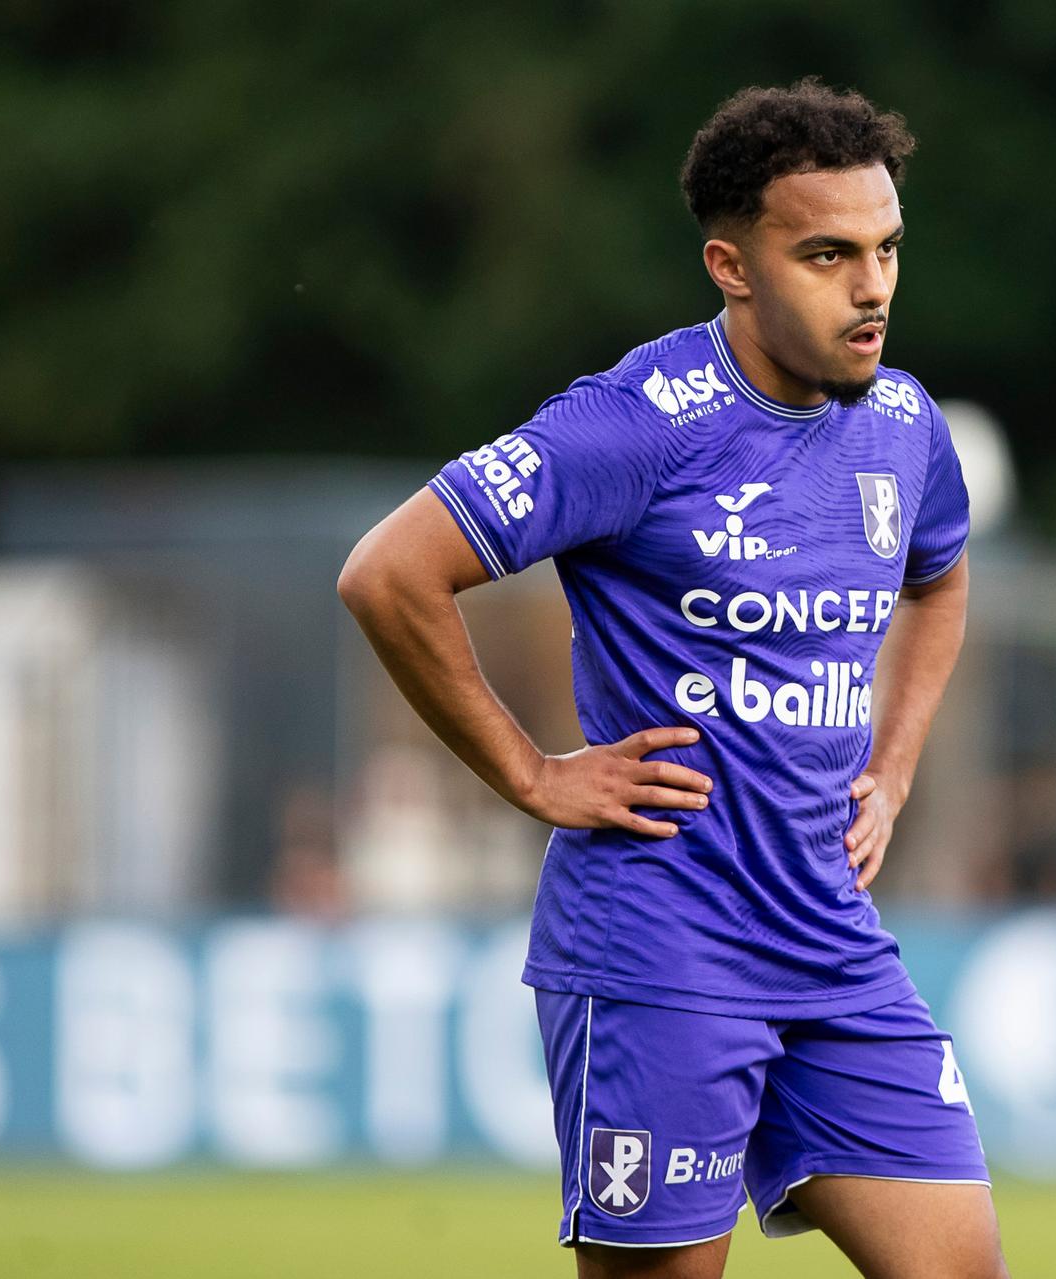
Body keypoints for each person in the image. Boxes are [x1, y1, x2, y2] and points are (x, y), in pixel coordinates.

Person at [338, 80, 1004, 1279]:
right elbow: (390, 574)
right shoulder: (638, 423)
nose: (873, 286)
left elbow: (940, 581)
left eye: (888, 249)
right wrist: (530, 773)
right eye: (828, 254)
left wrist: (893, 772)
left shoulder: (903, 426)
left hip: (830, 941)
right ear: (731, 266)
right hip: (661, 947)